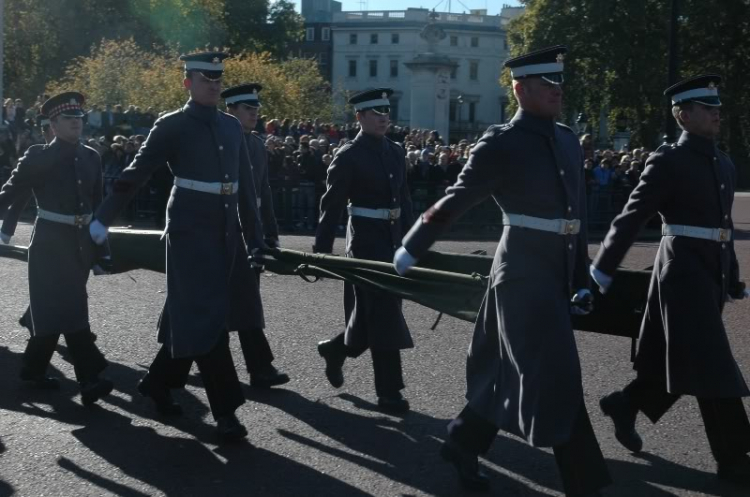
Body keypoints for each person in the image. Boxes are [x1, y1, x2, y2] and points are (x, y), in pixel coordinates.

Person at [394, 46, 610, 496]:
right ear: (521, 89)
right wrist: (413, 244)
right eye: (547, 84)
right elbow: (457, 197)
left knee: (505, 370)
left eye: (559, 83)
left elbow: (577, 217)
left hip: (556, 268)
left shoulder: (568, 138)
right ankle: (587, 484)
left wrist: (581, 275)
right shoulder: (502, 141)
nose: (557, 91)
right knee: (557, 374)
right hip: (523, 271)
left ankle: (461, 440)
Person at [89, 52, 266, 442]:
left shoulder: (231, 128)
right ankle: (226, 410)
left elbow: (246, 191)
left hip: (226, 234)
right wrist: (103, 217)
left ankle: (157, 382)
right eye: (207, 79)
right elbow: (136, 172)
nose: (215, 85)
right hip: (189, 232)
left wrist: (257, 239)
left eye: (219, 79)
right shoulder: (171, 125)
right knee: (208, 315)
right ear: (188, 82)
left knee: (198, 314)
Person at [591, 74, 750, 488]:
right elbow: (632, 217)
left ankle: (625, 404)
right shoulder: (668, 160)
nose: (717, 114)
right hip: (680, 275)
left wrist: (731, 276)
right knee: (714, 364)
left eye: (717, 107)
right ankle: (736, 460)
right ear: (683, 114)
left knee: (683, 360)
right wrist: (601, 270)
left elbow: (723, 227)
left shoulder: (724, 162)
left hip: (708, 275)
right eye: (707, 108)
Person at [0, 92, 113, 404]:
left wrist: (103, 251)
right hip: (49, 243)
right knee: (73, 308)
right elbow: (10, 192)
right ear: (53, 123)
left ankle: (33, 369)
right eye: (69, 118)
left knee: (54, 311)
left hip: (81, 244)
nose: (77, 123)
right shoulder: (38, 155)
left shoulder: (92, 157)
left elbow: (98, 207)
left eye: (79, 118)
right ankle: (90, 378)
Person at [315, 88, 415, 414]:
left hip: (393, 241)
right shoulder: (348, 156)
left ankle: (336, 349)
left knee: (372, 316)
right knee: (384, 313)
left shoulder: (396, 151)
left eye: (387, 111)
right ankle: (389, 392)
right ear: (359, 117)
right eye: (376, 113)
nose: (384, 117)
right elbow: (330, 208)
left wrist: (415, 242)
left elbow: (405, 200)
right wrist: (320, 253)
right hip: (365, 244)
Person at [221, 83, 289, 388]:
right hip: (224, 230)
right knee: (231, 300)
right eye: (248, 109)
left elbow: (263, 193)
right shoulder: (222, 142)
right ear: (231, 111)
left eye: (256, 109)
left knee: (239, 300)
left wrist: (270, 233)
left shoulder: (257, 145)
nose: (254, 114)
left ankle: (186, 358)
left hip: (250, 233)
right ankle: (258, 368)